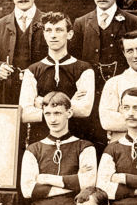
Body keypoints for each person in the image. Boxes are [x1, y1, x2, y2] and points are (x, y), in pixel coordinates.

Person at [70, 0, 137, 151]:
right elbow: (74, 60)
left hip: (121, 93)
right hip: (91, 95)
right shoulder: (81, 23)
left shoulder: (132, 21)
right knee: (90, 143)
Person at [19, 92, 98, 205]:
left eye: (58, 113)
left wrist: (47, 179)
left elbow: (88, 185)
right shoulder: (33, 149)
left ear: (69, 113)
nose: (52, 119)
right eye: (48, 113)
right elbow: (28, 190)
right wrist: (73, 183)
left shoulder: (85, 147)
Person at [19, 11, 95, 141]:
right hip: (41, 141)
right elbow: (24, 114)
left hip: (75, 138)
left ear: (69, 34)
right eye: (48, 30)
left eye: (59, 30)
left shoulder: (84, 69)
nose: (53, 35)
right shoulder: (33, 70)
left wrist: (42, 103)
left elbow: (84, 110)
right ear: (44, 34)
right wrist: (69, 104)